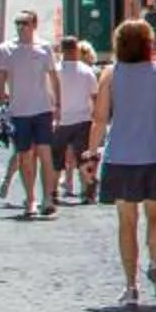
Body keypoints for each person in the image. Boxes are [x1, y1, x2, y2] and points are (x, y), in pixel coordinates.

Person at [89, 21, 156, 306]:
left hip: (120, 155)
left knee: (126, 222)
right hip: (154, 152)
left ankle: (131, 286)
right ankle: (155, 262)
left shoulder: (110, 75)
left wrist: (91, 152)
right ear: (149, 43)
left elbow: (100, 118)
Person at [0, 11, 60, 218]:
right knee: (24, 156)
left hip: (42, 108)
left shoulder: (44, 48)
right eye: (17, 23)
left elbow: (53, 75)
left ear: (34, 25)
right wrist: (1, 98)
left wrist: (58, 102)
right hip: (19, 110)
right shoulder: (6, 49)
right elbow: (1, 77)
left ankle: (47, 198)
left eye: (24, 23)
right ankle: (30, 198)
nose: (20, 27)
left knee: (45, 153)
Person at [52, 39, 101, 206]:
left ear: (62, 50)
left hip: (60, 120)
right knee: (83, 158)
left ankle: (52, 192)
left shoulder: (54, 71)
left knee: (56, 159)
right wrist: (97, 117)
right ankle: (88, 191)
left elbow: (48, 95)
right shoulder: (87, 71)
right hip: (83, 119)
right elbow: (95, 96)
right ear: (76, 50)